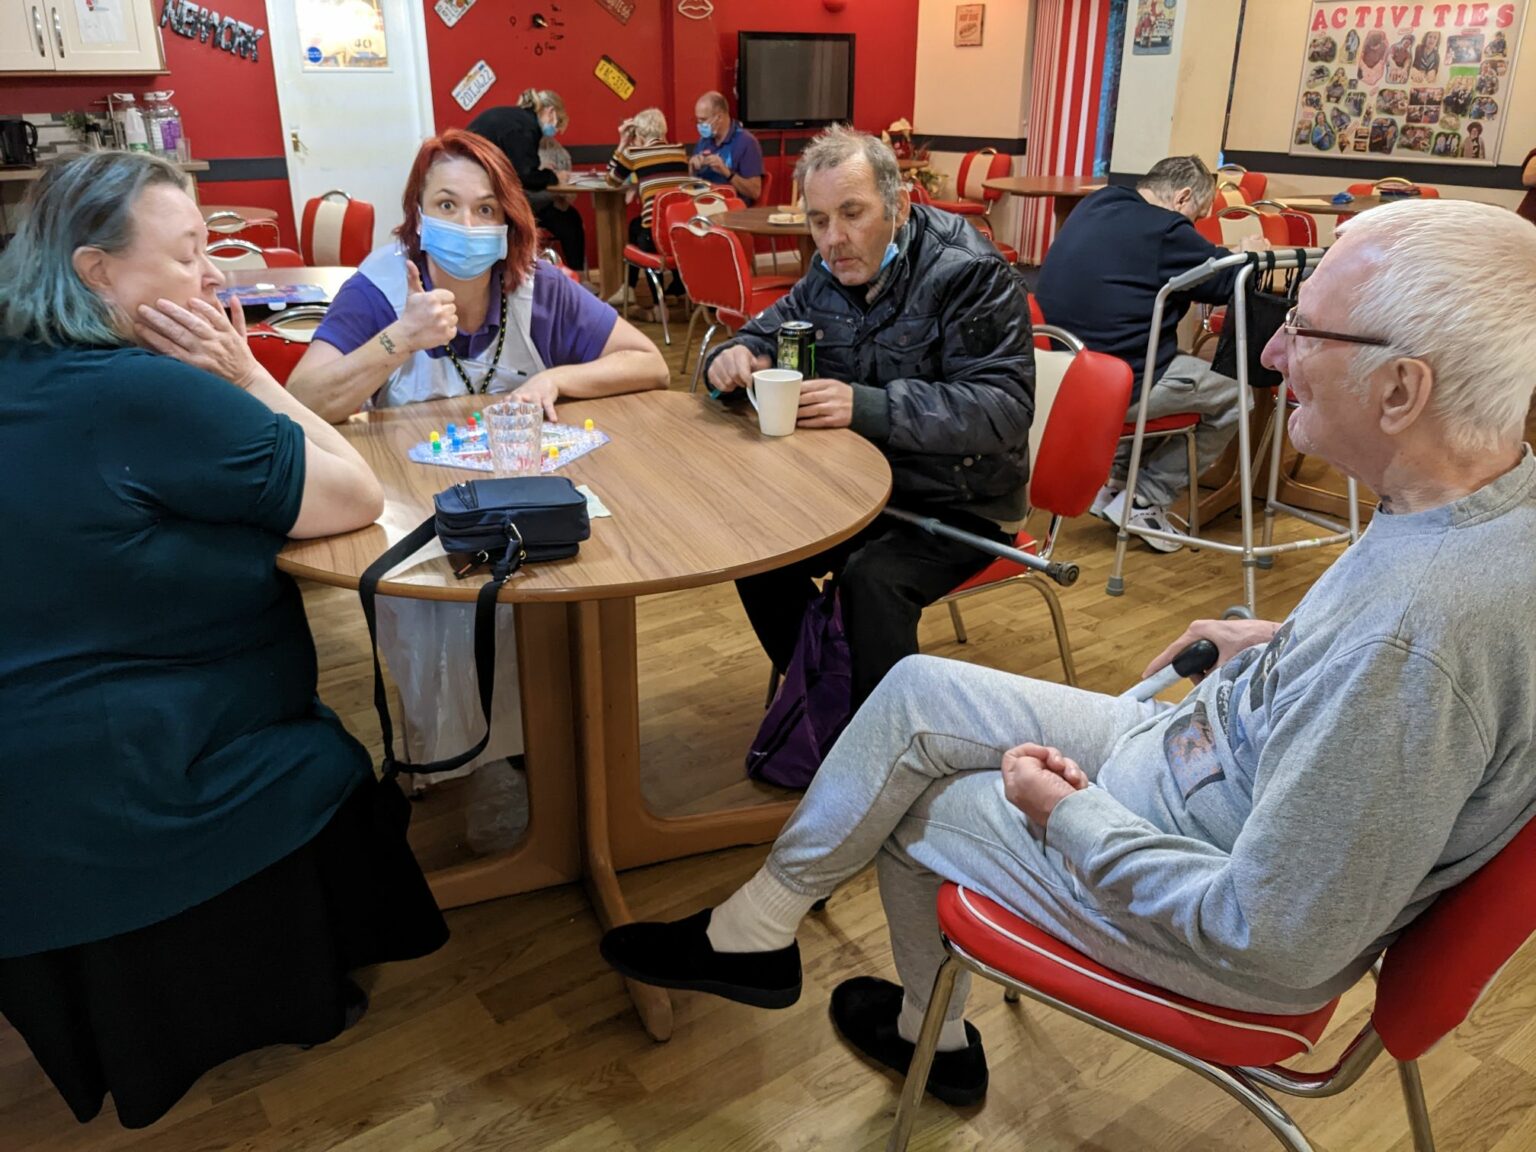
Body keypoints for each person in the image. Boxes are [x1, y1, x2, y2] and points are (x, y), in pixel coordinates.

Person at [602, 198, 1536, 1107]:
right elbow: (1384, 693)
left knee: (910, 805)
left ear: (1402, 390)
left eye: (1306, 331)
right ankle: (756, 932)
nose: (1271, 353)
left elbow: (1269, 935)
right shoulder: (1478, 506)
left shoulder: (1416, 643)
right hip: (1201, 771)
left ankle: (935, 1039)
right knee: (915, 690)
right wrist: (1278, 645)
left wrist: (1070, 819)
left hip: (1209, 907)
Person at [0, 151, 448, 1128]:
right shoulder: (148, 392)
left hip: (26, 799)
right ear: (97, 273)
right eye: (189, 252)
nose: (214, 274)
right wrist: (246, 372)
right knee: (330, 756)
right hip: (142, 775)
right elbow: (355, 494)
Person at [286, 128, 665, 837]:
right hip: (418, 509)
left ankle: (546, 739)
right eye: (447, 205)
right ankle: (446, 751)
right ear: (417, 213)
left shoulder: (535, 285)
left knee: (562, 595)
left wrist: (559, 377)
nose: (467, 224)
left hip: (524, 501)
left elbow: (647, 362)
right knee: (436, 615)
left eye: (486, 209)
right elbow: (302, 400)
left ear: (509, 220)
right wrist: (398, 339)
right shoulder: (381, 285)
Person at [703, 125, 1033, 711]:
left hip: (959, 500)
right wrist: (733, 356)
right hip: (859, 488)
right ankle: (825, 698)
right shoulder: (828, 274)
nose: (834, 239)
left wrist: (867, 406)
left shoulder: (969, 272)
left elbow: (1003, 407)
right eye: (818, 221)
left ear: (899, 205)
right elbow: (763, 331)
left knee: (871, 581)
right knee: (755, 548)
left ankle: (884, 736)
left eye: (852, 214)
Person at [1036, 155, 1268, 552]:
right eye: (1197, 215)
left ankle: (1115, 484)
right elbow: (1227, 283)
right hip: (1116, 387)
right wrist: (1251, 255)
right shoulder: (1167, 230)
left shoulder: (1096, 203)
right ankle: (1145, 497)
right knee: (1236, 394)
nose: (1194, 225)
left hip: (1058, 375)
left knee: (1161, 355)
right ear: (1182, 197)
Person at [469, 88, 586, 271]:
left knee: (563, 217)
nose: (555, 129)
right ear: (550, 112)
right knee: (568, 218)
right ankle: (577, 275)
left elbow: (520, 168)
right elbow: (526, 176)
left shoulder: (515, 119)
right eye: (558, 123)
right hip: (491, 198)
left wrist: (541, 172)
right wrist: (555, 177)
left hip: (479, 189)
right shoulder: (525, 127)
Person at [606, 106, 692, 308]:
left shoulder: (634, 154)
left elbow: (611, 180)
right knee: (639, 226)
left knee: (640, 230)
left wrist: (623, 142)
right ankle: (672, 290)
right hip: (680, 233)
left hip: (654, 238)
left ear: (639, 133)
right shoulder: (680, 151)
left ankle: (654, 302)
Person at [690, 90, 765, 205]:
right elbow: (693, 185)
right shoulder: (703, 141)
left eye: (703, 120)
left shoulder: (747, 142)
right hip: (703, 203)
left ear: (719, 117)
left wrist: (727, 172)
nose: (700, 125)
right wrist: (692, 168)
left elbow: (755, 192)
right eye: (697, 120)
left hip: (732, 208)